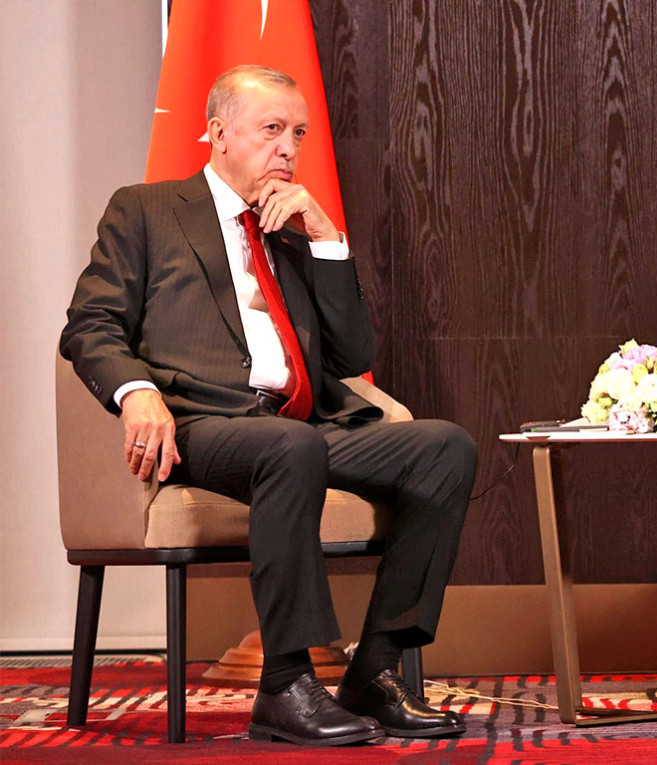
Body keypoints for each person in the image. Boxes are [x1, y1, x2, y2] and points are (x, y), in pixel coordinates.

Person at [61, 65, 478, 746]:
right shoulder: (146, 210)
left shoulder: (290, 230)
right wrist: (137, 394)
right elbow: (90, 323)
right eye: (273, 129)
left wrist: (327, 240)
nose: (288, 148)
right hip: (200, 425)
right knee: (292, 445)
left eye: (298, 134)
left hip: (298, 426)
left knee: (445, 448)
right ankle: (285, 683)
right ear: (219, 133)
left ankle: (375, 671)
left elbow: (349, 356)